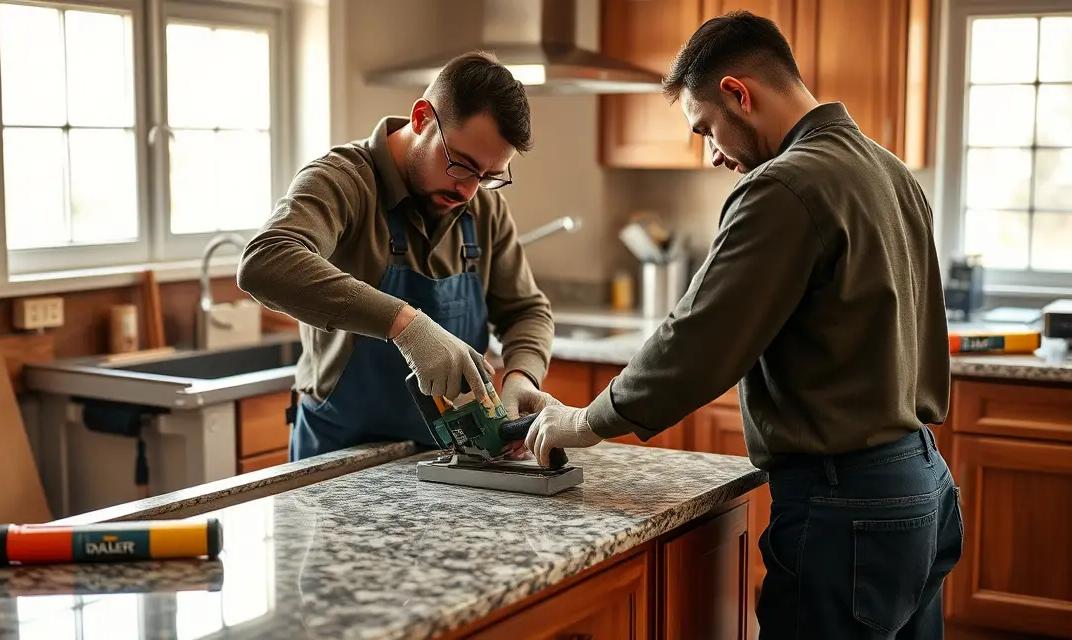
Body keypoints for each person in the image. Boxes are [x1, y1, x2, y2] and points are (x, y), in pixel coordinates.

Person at [522, 11, 963, 640]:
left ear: (738, 94)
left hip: (845, 504)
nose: (712, 154)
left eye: (706, 129)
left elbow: (699, 339)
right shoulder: (888, 171)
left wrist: (587, 421)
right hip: (922, 487)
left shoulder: (785, 185)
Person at [237, 51, 554, 461]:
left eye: (488, 177)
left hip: (451, 460)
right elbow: (265, 261)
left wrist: (522, 377)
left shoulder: (483, 209)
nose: (468, 191)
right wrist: (406, 326)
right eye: (461, 164)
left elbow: (527, 310)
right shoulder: (344, 179)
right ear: (421, 118)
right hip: (338, 460)